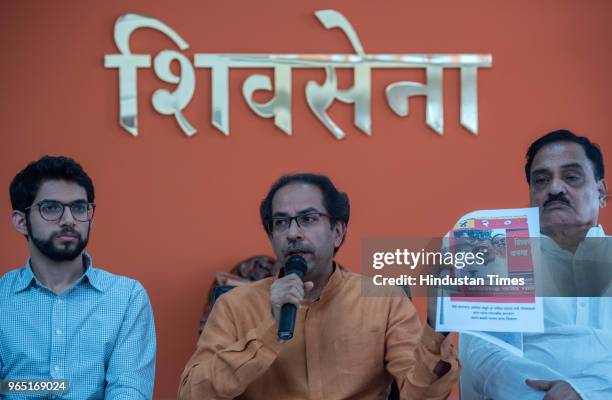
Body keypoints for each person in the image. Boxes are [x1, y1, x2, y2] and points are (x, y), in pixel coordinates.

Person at [178, 173, 460, 399]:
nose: (292, 233)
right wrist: (268, 333)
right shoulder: (235, 305)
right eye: (280, 222)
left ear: (337, 232)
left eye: (308, 219)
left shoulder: (384, 299)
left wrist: (436, 326)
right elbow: (193, 394)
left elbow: (421, 395)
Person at [462, 130, 611, 399]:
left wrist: (585, 393)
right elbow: (482, 356)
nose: (554, 188)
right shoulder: (499, 261)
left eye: (571, 177)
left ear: (601, 192)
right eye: (541, 180)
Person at [0, 156, 156, 399]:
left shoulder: (126, 298)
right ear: (21, 221)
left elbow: (128, 391)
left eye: (79, 208)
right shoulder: (2, 299)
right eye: (51, 208)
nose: (69, 220)